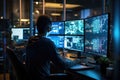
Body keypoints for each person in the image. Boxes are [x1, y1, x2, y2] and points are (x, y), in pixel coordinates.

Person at [26, 15, 78, 80]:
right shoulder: (48, 43)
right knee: (73, 77)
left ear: (37, 27)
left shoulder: (31, 40)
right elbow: (63, 65)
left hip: (32, 78)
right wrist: (77, 61)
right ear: (49, 28)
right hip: (43, 78)